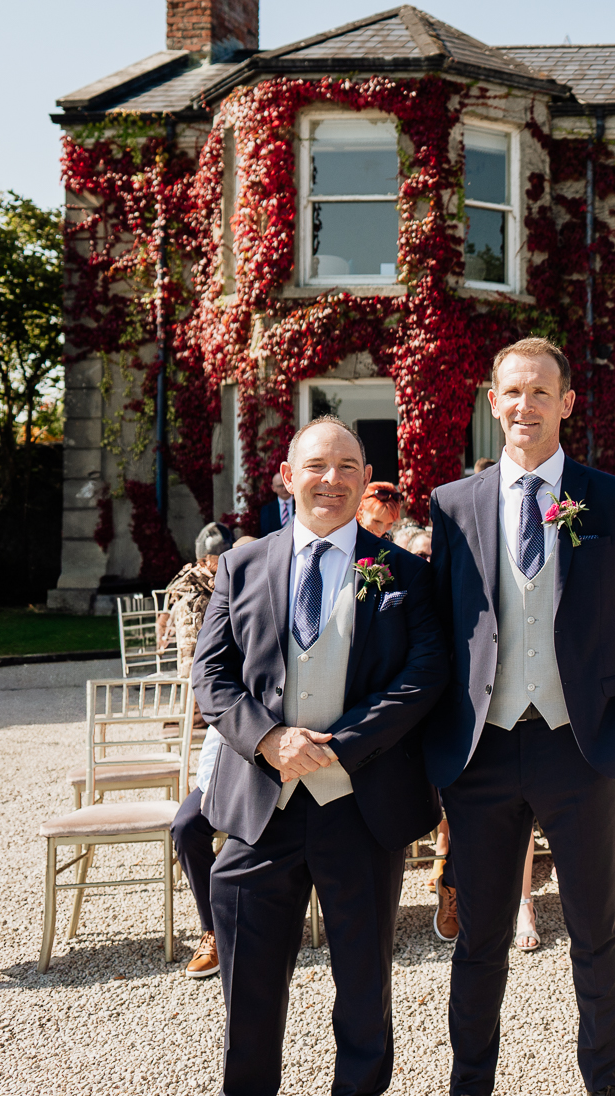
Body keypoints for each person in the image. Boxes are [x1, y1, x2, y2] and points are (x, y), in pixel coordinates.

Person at [424, 336, 615, 1096]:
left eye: (540, 392)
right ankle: (472, 1086)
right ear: (492, 401)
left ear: (566, 402)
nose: (524, 405)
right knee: (482, 941)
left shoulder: (611, 498)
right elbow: (440, 628)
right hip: (484, 755)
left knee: (596, 935)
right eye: (511, 392)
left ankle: (604, 1085)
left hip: (581, 746)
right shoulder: (453, 503)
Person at [192, 416, 450, 1095]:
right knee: (248, 990)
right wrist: (271, 740)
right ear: (287, 477)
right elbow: (211, 676)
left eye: (345, 467)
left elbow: (425, 674)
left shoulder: (404, 572)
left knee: (364, 988)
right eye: (315, 466)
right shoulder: (243, 565)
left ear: (366, 480)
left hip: (361, 810)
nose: (330, 479)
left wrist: (345, 745)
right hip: (260, 810)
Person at [163, 523, 229, 980]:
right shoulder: (202, 608)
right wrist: (208, 785)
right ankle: (213, 929)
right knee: (187, 825)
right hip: (224, 756)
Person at [258, 469, 293, 535]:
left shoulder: (301, 505)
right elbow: (265, 534)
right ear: (273, 488)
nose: (284, 488)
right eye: (280, 486)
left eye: (286, 484)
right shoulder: (267, 510)